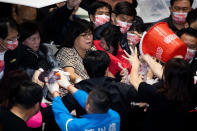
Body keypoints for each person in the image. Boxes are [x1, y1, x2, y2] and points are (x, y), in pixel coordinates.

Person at [61, 50, 144, 131]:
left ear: (85, 70)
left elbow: (58, 109)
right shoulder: (122, 88)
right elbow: (145, 95)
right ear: (107, 69)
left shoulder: (77, 90)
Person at [124, 47, 197, 131]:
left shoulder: (157, 95)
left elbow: (134, 80)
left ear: (166, 78)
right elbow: (166, 73)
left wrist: (135, 64)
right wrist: (146, 57)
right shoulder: (192, 91)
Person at [47, 71, 120, 131]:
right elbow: (87, 99)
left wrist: (55, 93)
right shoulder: (115, 116)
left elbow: (62, 116)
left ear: (88, 107)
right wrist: (68, 86)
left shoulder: (80, 126)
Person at [56, 18, 93, 84]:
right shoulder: (66, 52)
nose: (89, 37)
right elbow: (70, 75)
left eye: (90, 34)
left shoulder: (92, 49)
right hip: (72, 91)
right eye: (84, 35)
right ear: (74, 37)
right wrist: (88, 85)